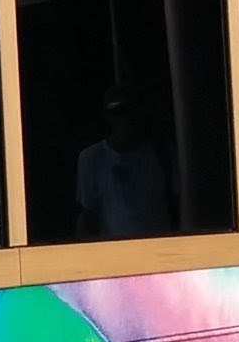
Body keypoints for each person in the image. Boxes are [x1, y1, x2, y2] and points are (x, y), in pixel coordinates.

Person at [74, 87, 172, 239]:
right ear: (107, 116)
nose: (126, 118)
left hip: (159, 249)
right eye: (118, 111)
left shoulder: (161, 152)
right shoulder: (91, 158)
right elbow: (87, 215)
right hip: (116, 251)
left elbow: (177, 203)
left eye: (130, 109)